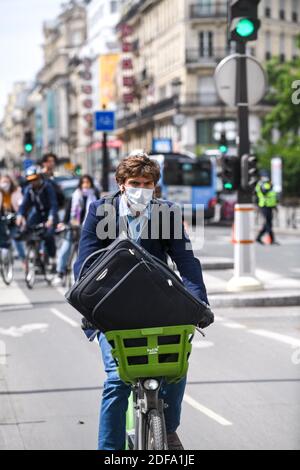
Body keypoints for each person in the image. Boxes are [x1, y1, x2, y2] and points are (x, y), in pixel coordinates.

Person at [74, 152, 213, 451]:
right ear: (122, 184)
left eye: (147, 183)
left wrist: (199, 304)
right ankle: (109, 450)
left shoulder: (167, 213)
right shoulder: (101, 211)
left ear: (155, 186)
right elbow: (84, 265)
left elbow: (187, 263)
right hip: (110, 309)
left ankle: (170, 429)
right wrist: (89, 308)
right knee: (117, 380)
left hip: (156, 304)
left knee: (176, 368)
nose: (141, 188)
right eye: (134, 182)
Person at [52, 175, 99, 286]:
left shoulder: (95, 195)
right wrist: (63, 223)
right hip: (73, 225)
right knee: (66, 247)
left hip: (88, 227)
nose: (85, 185)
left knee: (84, 250)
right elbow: (69, 211)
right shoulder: (75, 195)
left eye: (87, 182)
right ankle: (60, 272)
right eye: (83, 183)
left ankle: (83, 274)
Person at [16, 166, 59, 264]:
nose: (33, 182)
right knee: (27, 228)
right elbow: (24, 205)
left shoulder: (48, 187)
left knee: (48, 234)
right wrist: (20, 215)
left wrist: (51, 218)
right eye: (30, 180)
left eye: (35, 179)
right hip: (38, 213)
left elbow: (54, 204)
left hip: (49, 213)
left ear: (39, 177)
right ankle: (33, 252)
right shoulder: (29, 190)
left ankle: (52, 257)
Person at [0, 175, 25, 262]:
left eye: (7, 182)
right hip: (2, 217)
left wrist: (20, 216)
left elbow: (21, 204)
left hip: (14, 217)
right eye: (3, 182)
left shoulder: (16, 192)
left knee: (16, 238)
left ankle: (23, 260)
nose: (5, 184)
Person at [255, 176, 278, 245]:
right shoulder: (263, 185)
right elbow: (265, 192)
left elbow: (271, 196)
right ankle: (272, 239)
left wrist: (274, 206)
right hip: (265, 206)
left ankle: (258, 238)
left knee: (267, 224)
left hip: (269, 206)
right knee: (268, 224)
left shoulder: (265, 184)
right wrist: (270, 186)